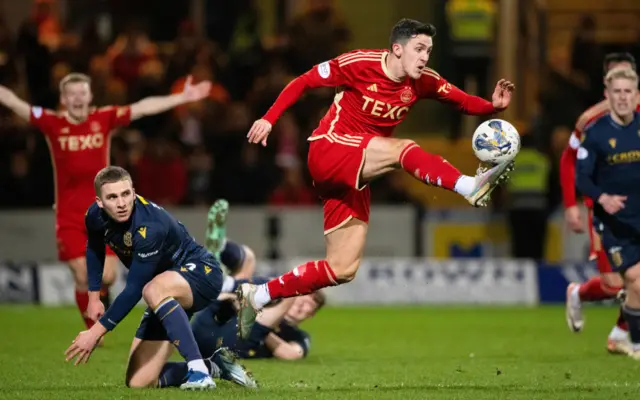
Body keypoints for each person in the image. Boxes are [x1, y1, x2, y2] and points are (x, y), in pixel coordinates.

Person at [235, 18, 515, 337]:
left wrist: (492, 106)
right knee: (403, 149)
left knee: (342, 269)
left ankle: (257, 295)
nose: (425, 57)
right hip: (330, 148)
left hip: (357, 171)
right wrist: (269, 119)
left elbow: (462, 101)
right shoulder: (359, 63)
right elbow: (305, 81)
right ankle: (468, 185)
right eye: (419, 49)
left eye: (429, 51)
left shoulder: (424, 81)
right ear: (397, 49)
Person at [0, 73, 211, 332]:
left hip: (105, 213)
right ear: (63, 99)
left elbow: (142, 108)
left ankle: (97, 308)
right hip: (68, 215)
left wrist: (181, 97)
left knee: (108, 276)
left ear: (90, 97)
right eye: (72, 94)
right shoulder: (52, 123)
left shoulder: (103, 119)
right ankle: (93, 328)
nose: (77, 99)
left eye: (82, 93)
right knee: (82, 274)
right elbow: (14, 102)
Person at [63, 166, 257, 390]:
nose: (121, 203)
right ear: (99, 202)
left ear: (133, 192)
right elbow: (95, 249)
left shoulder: (149, 226)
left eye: (126, 194)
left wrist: (95, 332)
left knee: (150, 290)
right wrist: (94, 297)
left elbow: (134, 288)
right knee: (139, 382)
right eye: (112, 197)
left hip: (201, 273)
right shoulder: (94, 216)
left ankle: (199, 373)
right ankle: (215, 365)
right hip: (164, 291)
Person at [561, 52, 637, 354]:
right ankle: (579, 293)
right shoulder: (590, 122)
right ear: (606, 86)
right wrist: (571, 204)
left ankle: (621, 332)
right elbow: (569, 160)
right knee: (613, 284)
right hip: (607, 211)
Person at [192, 280, 324, 362]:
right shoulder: (267, 303)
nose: (301, 304)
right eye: (301, 298)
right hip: (211, 333)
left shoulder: (298, 336)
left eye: (309, 304)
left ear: (311, 314)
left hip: (230, 349)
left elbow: (292, 354)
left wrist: (264, 331)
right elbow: (225, 297)